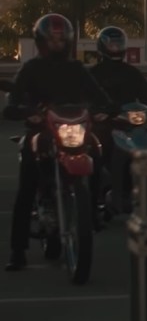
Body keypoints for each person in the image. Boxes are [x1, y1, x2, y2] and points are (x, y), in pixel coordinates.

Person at [3, 14, 113, 271]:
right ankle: (18, 250)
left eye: (61, 38)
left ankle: (93, 210)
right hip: (42, 130)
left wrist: (106, 108)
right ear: (42, 41)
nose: (57, 43)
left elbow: (99, 96)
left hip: (74, 129)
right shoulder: (31, 68)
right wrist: (23, 111)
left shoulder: (76, 69)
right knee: (27, 183)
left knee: (96, 152)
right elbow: (13, 101)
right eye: (52, 39)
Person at [88, 26, 147, 222]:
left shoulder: (132, 73)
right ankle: (93, 203)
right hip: (104, 126)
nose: (115, 48)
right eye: (111, 44)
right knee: (93, 157)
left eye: (118, 44)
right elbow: (84, 98)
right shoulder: (93, 74)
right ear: (102, 46)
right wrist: (95, 112)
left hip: (130, 124)